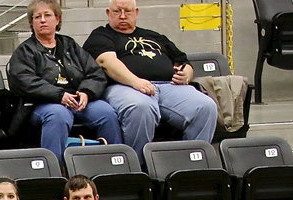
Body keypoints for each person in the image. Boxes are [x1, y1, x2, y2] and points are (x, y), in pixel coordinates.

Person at [83, 0, 217, 161]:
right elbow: (106, 62)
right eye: (117, 11)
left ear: (137, 12)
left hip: (169, 86)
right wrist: (136, 82)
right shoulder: (101, 36)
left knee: (206, 107)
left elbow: (183, 62)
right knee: (141, 107)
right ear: (108, 13)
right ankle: (137, 165)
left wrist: (186, 75)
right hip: (124, 87)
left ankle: (192, 162)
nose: (123, 16)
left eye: (128, 11)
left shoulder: (154, 36)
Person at [7, 0, 121, 164]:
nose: (43, 20)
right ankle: (54, 171)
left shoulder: (70, 45)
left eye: (47, 15)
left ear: (58, 19)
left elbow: (95, 73)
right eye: (37, 17)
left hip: (77, 99)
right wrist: (59, 95)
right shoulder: (25, 51)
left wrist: (86, 92)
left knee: (106, 113)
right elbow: (24, 81)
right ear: (32, 23)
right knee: (58, 115)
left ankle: (113, 165)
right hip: (41, 104)